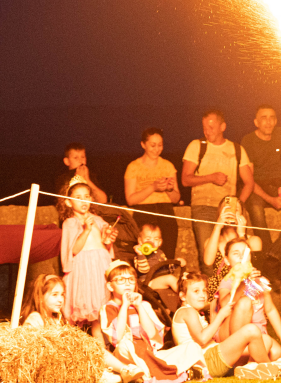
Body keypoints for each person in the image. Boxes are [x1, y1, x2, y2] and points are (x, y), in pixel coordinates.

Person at [94, 261, 206, 383]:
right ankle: (132, 371)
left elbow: (153, 335)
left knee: (192, 347)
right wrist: (125, 305)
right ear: (110, 286)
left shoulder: (143, 305)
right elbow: (117, 338)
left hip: (150, 354)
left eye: (131, 279)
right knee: (126, 345)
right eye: (121, 279)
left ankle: (139, 373)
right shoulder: (109, 308)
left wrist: (139, 306)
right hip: (126, 354)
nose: (127, 283)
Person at [239, 105, 281, 283]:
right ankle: (272, 264)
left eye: (272, 117)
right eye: (263, 117)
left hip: (278, 184)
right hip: (257, 185)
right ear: (256, 122)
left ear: (276, 121)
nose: (268, 121)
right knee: (254, 207)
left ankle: (271, 259)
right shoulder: (248, 141)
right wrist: (271, 200)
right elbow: (250, 179)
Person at [172, 273, 278, 379]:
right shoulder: (187, 311)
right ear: (182, 296)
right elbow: (202, 339)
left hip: (213, 357)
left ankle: (250, 368)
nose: (202, 295)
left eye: (204, 290)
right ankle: (268, 369)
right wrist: (221, 315)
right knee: (251, 330)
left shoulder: (192, 312)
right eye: (196, 291)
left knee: (265, 340)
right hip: (206, 361)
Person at [182, 109, 255, 261]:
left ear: (223, 127)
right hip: (203, 207)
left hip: (228, 209)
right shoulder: (197, 146)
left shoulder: (236, 149)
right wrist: (211, 178)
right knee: (208, 256)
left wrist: (238, 205)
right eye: (204, 128)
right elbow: (185, 179)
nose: (207, 132)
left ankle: (230, 284)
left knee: (234, 254)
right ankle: (209, 285)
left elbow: (249, 183)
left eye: (211, 127)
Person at [217, 238, 281, 365]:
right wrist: (244, 284)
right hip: (232, 334)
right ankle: (238, 352)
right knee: (245, 302)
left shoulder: (259, 280)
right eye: (236, 253)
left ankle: (249, 363)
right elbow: (224, 304)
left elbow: (270, 310)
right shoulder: (228, 280)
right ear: (227, 260)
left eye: (245, 253)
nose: (241, 257)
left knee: (276, 353)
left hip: (257, 333)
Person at [58, 182, 117, 326]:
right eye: (78, 197)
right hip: (83, 268)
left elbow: (105, 243)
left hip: (101, 265)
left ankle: (101, 345)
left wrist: (109, 238)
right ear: (68, 202)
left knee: (99, 311)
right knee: (83, 306)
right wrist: (86, 230)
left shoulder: (99, 220)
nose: (83, 200)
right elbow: (74, 250)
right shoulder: (70, 222)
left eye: (86, 196)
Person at [124, 129, 180, 261]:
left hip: (165, 213)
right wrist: (153, 187)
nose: (157, 149)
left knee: (167, 256)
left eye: (160, 145)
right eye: (153, 145)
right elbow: (130, 200)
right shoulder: (133, 167)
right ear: (143, 144)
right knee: (144, 257)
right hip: (143, 213)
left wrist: (169, 189)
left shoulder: (168, 166)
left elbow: (176, 198)